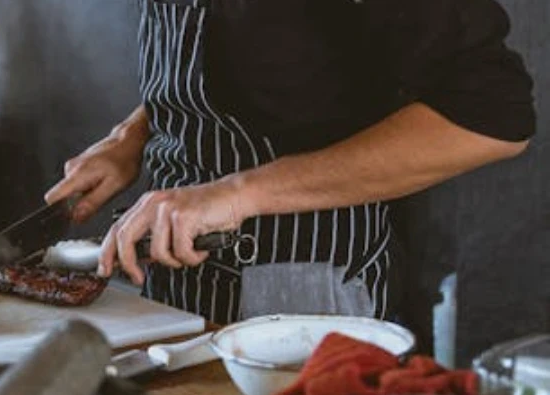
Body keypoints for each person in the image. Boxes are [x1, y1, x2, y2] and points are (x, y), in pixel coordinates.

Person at [46, 0, 535, 325]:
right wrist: (131, 136)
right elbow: (254, 53)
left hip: (304, 297)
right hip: (171, 289)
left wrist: (239, 194)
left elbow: (491, 118)